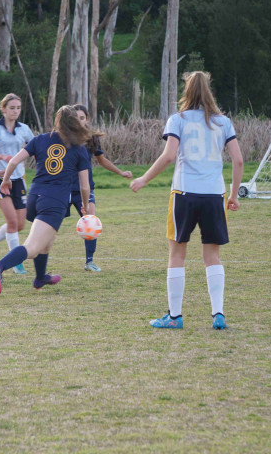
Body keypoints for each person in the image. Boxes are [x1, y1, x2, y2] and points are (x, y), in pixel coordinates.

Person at [129, 71, 244, 330]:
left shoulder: (177, 119)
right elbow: (238, 160)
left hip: (184, 193)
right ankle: (218, 314)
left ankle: (175, 317)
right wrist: (234, 195)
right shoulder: (223, 122)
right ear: (209, 91)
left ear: (186, 91)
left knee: (177, 253)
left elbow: (169, 156)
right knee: (212, 255)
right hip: (215, 195)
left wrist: (144, 179)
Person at [0, 105, 92, 295]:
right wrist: (85, 207)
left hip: (34, 198)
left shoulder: (40, 139)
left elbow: (13, 161)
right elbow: (85, 186)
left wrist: (5, 181)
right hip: (54, 202)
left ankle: (40, 277)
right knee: (32, 248)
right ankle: (0, 266)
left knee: (47, 240)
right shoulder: (79, 149)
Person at [68, 104, 132, 272]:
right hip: (63, 188)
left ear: (87, 119)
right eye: (75, 118)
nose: (79, 121)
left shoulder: (91, 138)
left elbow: (102, 160)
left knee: (91, 221)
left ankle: (89, 262)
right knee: (49, 223)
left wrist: (120, 172)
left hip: (85, 187)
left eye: (82, 118)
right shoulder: (62, 138)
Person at [0, 93, 34, 274]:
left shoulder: (24, 129)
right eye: (12, 108)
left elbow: (35, 147)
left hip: (18, 179)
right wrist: (2, 157)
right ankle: (15, 262)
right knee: (12, 221)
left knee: (19, 224)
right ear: (3, 109)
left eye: (18, 108)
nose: (15, 111)